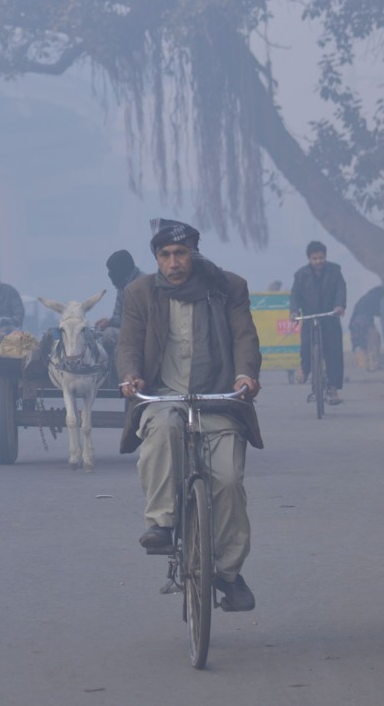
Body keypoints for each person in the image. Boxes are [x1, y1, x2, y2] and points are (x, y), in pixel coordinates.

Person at [117, 218, 263, 612]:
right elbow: (128, 343)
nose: (173, 263)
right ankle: (161, 524)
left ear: (193, 254)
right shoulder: (140, 292)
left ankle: (229, 575)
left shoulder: (227, 287)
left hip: (218, 398)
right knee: (162, 431)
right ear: (157, 259)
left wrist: (246, 374)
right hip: (162, 397)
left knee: (229, 482)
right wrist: (130, 376)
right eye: (164, 255)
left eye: (180, 254)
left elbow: (244, 336)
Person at [288, 240, 347, 405]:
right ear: (309, 259)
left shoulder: (335, 271)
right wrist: (294, 311)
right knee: (306, 345)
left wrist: (340, 306)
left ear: (325, 257)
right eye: (314, 258)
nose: (318, 261)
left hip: (330, 317)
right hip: (309, 317)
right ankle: (305, 371)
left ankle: (333, 389)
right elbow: (295, 295)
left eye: (321, 258)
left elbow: (341, 290)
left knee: (334, 353)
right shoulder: (300, 275)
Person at [94, 249, 143, 382]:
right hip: (126, 329)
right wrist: (109, 321)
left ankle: (104, 377)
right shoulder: (123, 286)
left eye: (112, 271)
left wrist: (111, 323)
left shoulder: (141, 286)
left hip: (141, 334)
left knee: (107, 335)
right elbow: (119, 315)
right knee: (99, 333)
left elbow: (137, 320)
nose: (110, 275)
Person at [349, 284, 384, 372]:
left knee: (366, 345)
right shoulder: (373, 299)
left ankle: (369, 364)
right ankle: (373, 365)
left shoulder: (365, 298)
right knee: (373, 343)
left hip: (357, 325)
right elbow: (375, 310)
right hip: (364, 324)